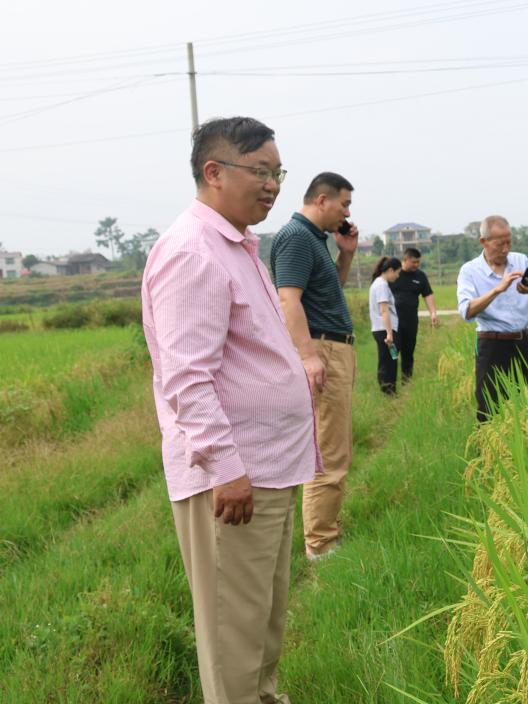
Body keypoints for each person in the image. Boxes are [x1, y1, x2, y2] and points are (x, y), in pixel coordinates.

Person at [141, 116, 316, 704]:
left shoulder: (238, 246)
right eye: (260, 172)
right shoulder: (192, 252)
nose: (272, 186)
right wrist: (225, 467)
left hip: (267, 469)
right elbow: (187, 377)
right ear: (214, 173)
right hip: (236, 476)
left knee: (261, 629)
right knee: (234, 638)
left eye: (277, 173)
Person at [270, 172, 357, 561]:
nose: (347, 211)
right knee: (329, 453)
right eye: (344, 204)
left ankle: (326, 532)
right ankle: (321, 544)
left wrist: (346, 253)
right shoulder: (296, 237)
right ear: (322, 200)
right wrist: (308, 356)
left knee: (335, 447)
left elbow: (327, 294)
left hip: (333, 347)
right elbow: (289, 300)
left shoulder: (315, 240)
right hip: (322, 349)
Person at [456, 215, 528, 423]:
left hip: (525, 343)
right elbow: (466, 311)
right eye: (500, 244)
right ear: (484, 242)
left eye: (509, 242)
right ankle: (488, 451)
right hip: (492, 345)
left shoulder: (521, 261)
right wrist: (497, 290)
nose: (506, 249)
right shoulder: (470, 271)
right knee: (489, 405)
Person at [389, 247, 439, 382]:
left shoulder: (420, 276)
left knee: (408, 351)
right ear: (404, 260)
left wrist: (433, 313)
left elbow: (427, 295)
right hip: (393, 322)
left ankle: (407, 381)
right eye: (413, 262)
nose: (416, 265)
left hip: (411, 321)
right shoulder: (394, 274)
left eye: (418, 262)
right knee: (393, 352)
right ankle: (389, 384)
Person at [369, 257, 402, 394]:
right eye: (397, 272)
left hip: (381, 329)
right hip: (384, 329)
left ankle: (390, 389)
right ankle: (388, 391)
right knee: (388, 361)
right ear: (390, 270)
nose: (398, 276)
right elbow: (384, 310)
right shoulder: (382, 285)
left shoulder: (378, 283)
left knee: (388, 359)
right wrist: (389, 333)